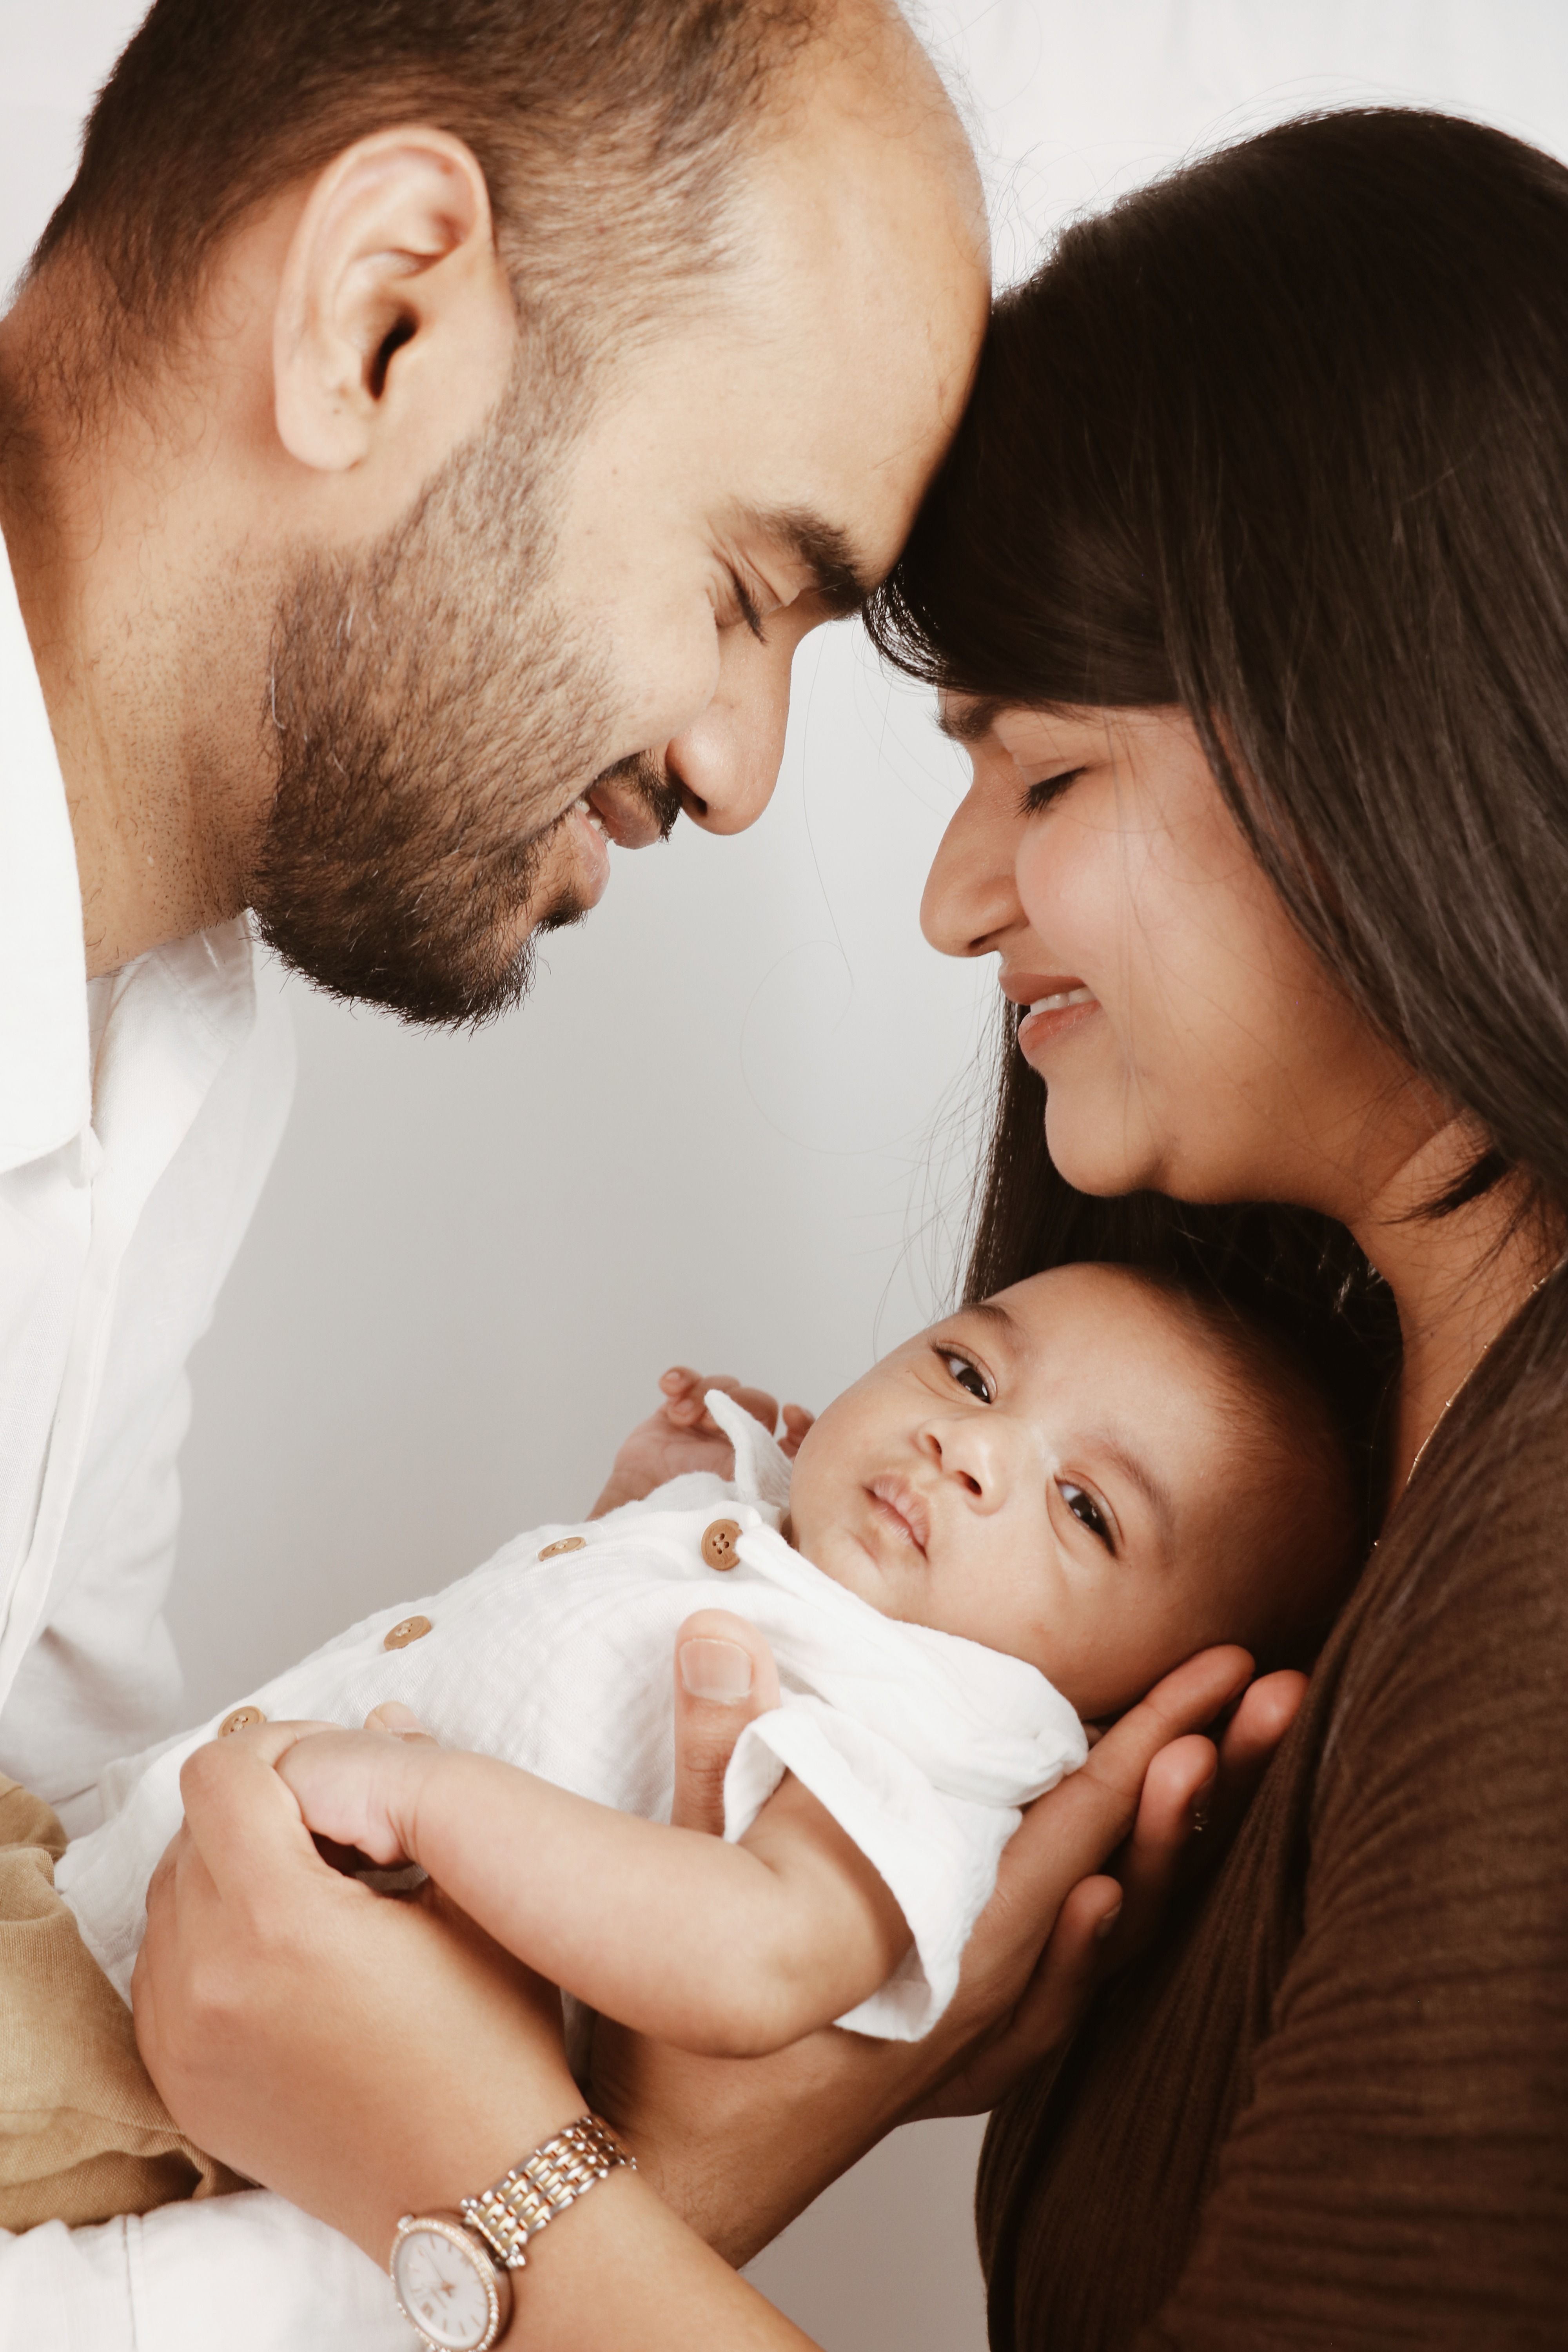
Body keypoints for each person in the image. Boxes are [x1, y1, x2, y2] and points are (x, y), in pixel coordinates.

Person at [135, 100, 1568, 2350]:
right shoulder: (1348, 1466)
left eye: (1050, 773)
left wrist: (492, 2188)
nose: (950, 903)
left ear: (1388, 733)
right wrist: (681, 2165)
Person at [0, 0, 993, 2335]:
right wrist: (578, 2215)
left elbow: (65, 1913)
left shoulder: (175, 1033)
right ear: (382, 318)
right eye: (745, 591)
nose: (741, 771)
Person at [4, 1262, 1357, 2252]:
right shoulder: (779, 1548)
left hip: (151, 2056)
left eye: (1084, 1508)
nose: (974, 1445)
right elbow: (585, 1726)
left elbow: (761, 1951)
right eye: (969, 1371)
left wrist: (429, 1798)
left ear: (1114, 1712)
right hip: (88, 1872)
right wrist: (628, 1518)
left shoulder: (933, 1735)